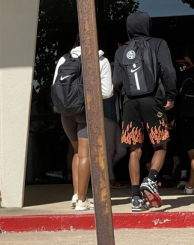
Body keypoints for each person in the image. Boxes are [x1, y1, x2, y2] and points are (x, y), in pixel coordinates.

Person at [113, 12, 178, 212]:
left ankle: (135, 198)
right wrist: (171, 95)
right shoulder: (158, 44)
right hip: (153, 100)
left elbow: (116, 83)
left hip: (130, 104)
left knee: (135, 150)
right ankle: (150, 179)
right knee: (160, 145)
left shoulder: (121, 51)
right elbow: (167, 71)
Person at [53, 34, 114, 211]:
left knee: (76, 152)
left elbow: (55, 86)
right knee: (86, 154)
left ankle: (76, 194)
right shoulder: (100, 60)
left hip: (66, 113)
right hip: (85, 112)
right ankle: (81, 200)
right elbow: (107, 92)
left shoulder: (64, 59)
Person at [174, 45, 194, 194]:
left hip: (187, 117)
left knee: (191, 153)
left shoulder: (184, 76)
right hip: (187, 116)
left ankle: (190, 184)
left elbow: (175, 97)